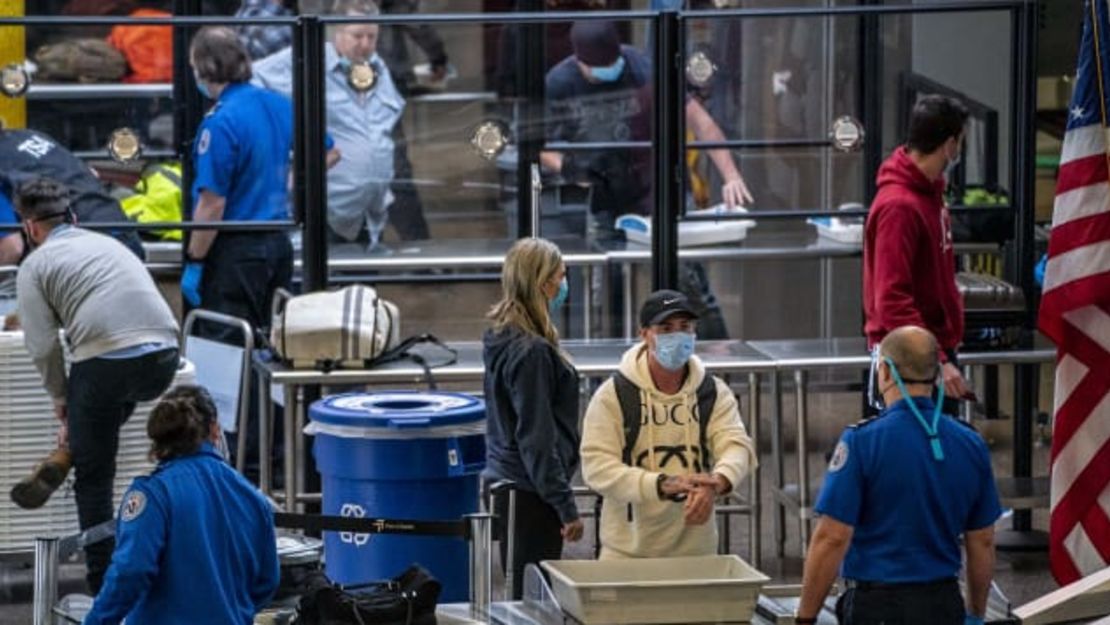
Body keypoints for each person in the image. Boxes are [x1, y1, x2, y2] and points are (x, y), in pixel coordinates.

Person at [12, 178, 180, 593]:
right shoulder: (108, 244)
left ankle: (102, 583)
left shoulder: (35, 264)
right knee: (103, 410)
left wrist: (59, 398)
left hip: (106, 361)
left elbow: (42, 344)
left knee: (94, 475)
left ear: (30, 227)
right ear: (73, 217)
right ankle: (71, 447)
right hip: (164, 355)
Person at [543, 20, 752, 339]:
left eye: (613, 64)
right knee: (604, 292)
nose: (608, 71)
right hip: (606, 195)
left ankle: (717, 366)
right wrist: (574, 170)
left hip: (659, 190)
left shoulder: (643, 69)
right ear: (580, 62)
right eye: (598, 68)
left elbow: (700, 122)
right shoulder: (560, 83)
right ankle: (608, 372)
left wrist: (731, 174)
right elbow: (540, 147)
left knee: (689, 285)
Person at [795, 325, 1001, 625]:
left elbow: (832, 538)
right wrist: (974, 614)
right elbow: (981, 541)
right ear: (937, 375)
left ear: (886, 373)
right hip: (943, 602)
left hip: (877, 607)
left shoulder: (863, 442)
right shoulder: (970, 443)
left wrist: (805, 618)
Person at [580, 289, 756, 559]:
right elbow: (596, 465)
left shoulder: (713, 392)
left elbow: (737, 446)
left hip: (697, 551)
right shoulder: (613, 395)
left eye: (685, 327)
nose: (677, 336)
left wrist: (717, 482)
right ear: (644, 334)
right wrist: (660, 484)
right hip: (626, 553)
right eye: (665, 328)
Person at [83, 385, 280, 625]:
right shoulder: (253, 499)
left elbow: (131, 571)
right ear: (215, 431)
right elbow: (267, 581)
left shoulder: (154, 493)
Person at [253, 0, 404, 253]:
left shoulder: (377, 67)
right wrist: (286, 129)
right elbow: (252, 78)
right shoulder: (309, 59)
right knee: (326, 288)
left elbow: (387, 117)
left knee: (365, 291)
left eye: (372, 36)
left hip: (370, 214)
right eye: (358, 36)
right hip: (326, 210)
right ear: (338, 32)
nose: (366, 44)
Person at [482, 237, 583, 599]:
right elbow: (537, 438)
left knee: (521, 592)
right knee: (533, 600)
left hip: (511, 483)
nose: (564, 284)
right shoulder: (533, 353)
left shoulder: (502, 336)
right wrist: (565, 505)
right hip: (531, 493)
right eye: (561, 276)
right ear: (543, 284)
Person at [863, 95, 972, 414]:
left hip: (931, 351)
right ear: (950, 145)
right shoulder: (900, 207)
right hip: (908, 363)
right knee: (914, 456)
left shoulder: (930, 195)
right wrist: (936, 360)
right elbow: (892, 298)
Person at [0, 126, 145, 259]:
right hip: (123, 232)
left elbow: (11, 248)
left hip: (83, 253)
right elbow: (92, 173)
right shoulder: (31, 136)